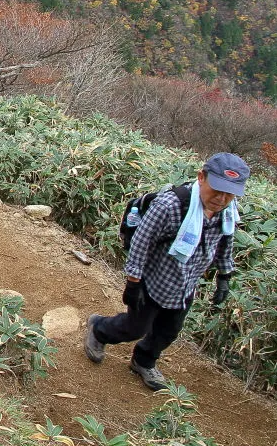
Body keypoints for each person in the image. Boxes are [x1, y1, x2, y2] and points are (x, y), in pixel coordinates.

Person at [84, 153, 247, 390]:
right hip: (153, 281)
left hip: (185, 284)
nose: (221, 198)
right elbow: (142, 241)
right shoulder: (170, 206)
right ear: (202, 177)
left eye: (229, 193)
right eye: (217, 190)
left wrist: (224, 275)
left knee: (168, 331)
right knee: (135, 327)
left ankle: (143, 360)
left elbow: (225, 242)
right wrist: (133, 282)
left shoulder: (227, 210)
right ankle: (99, 329)